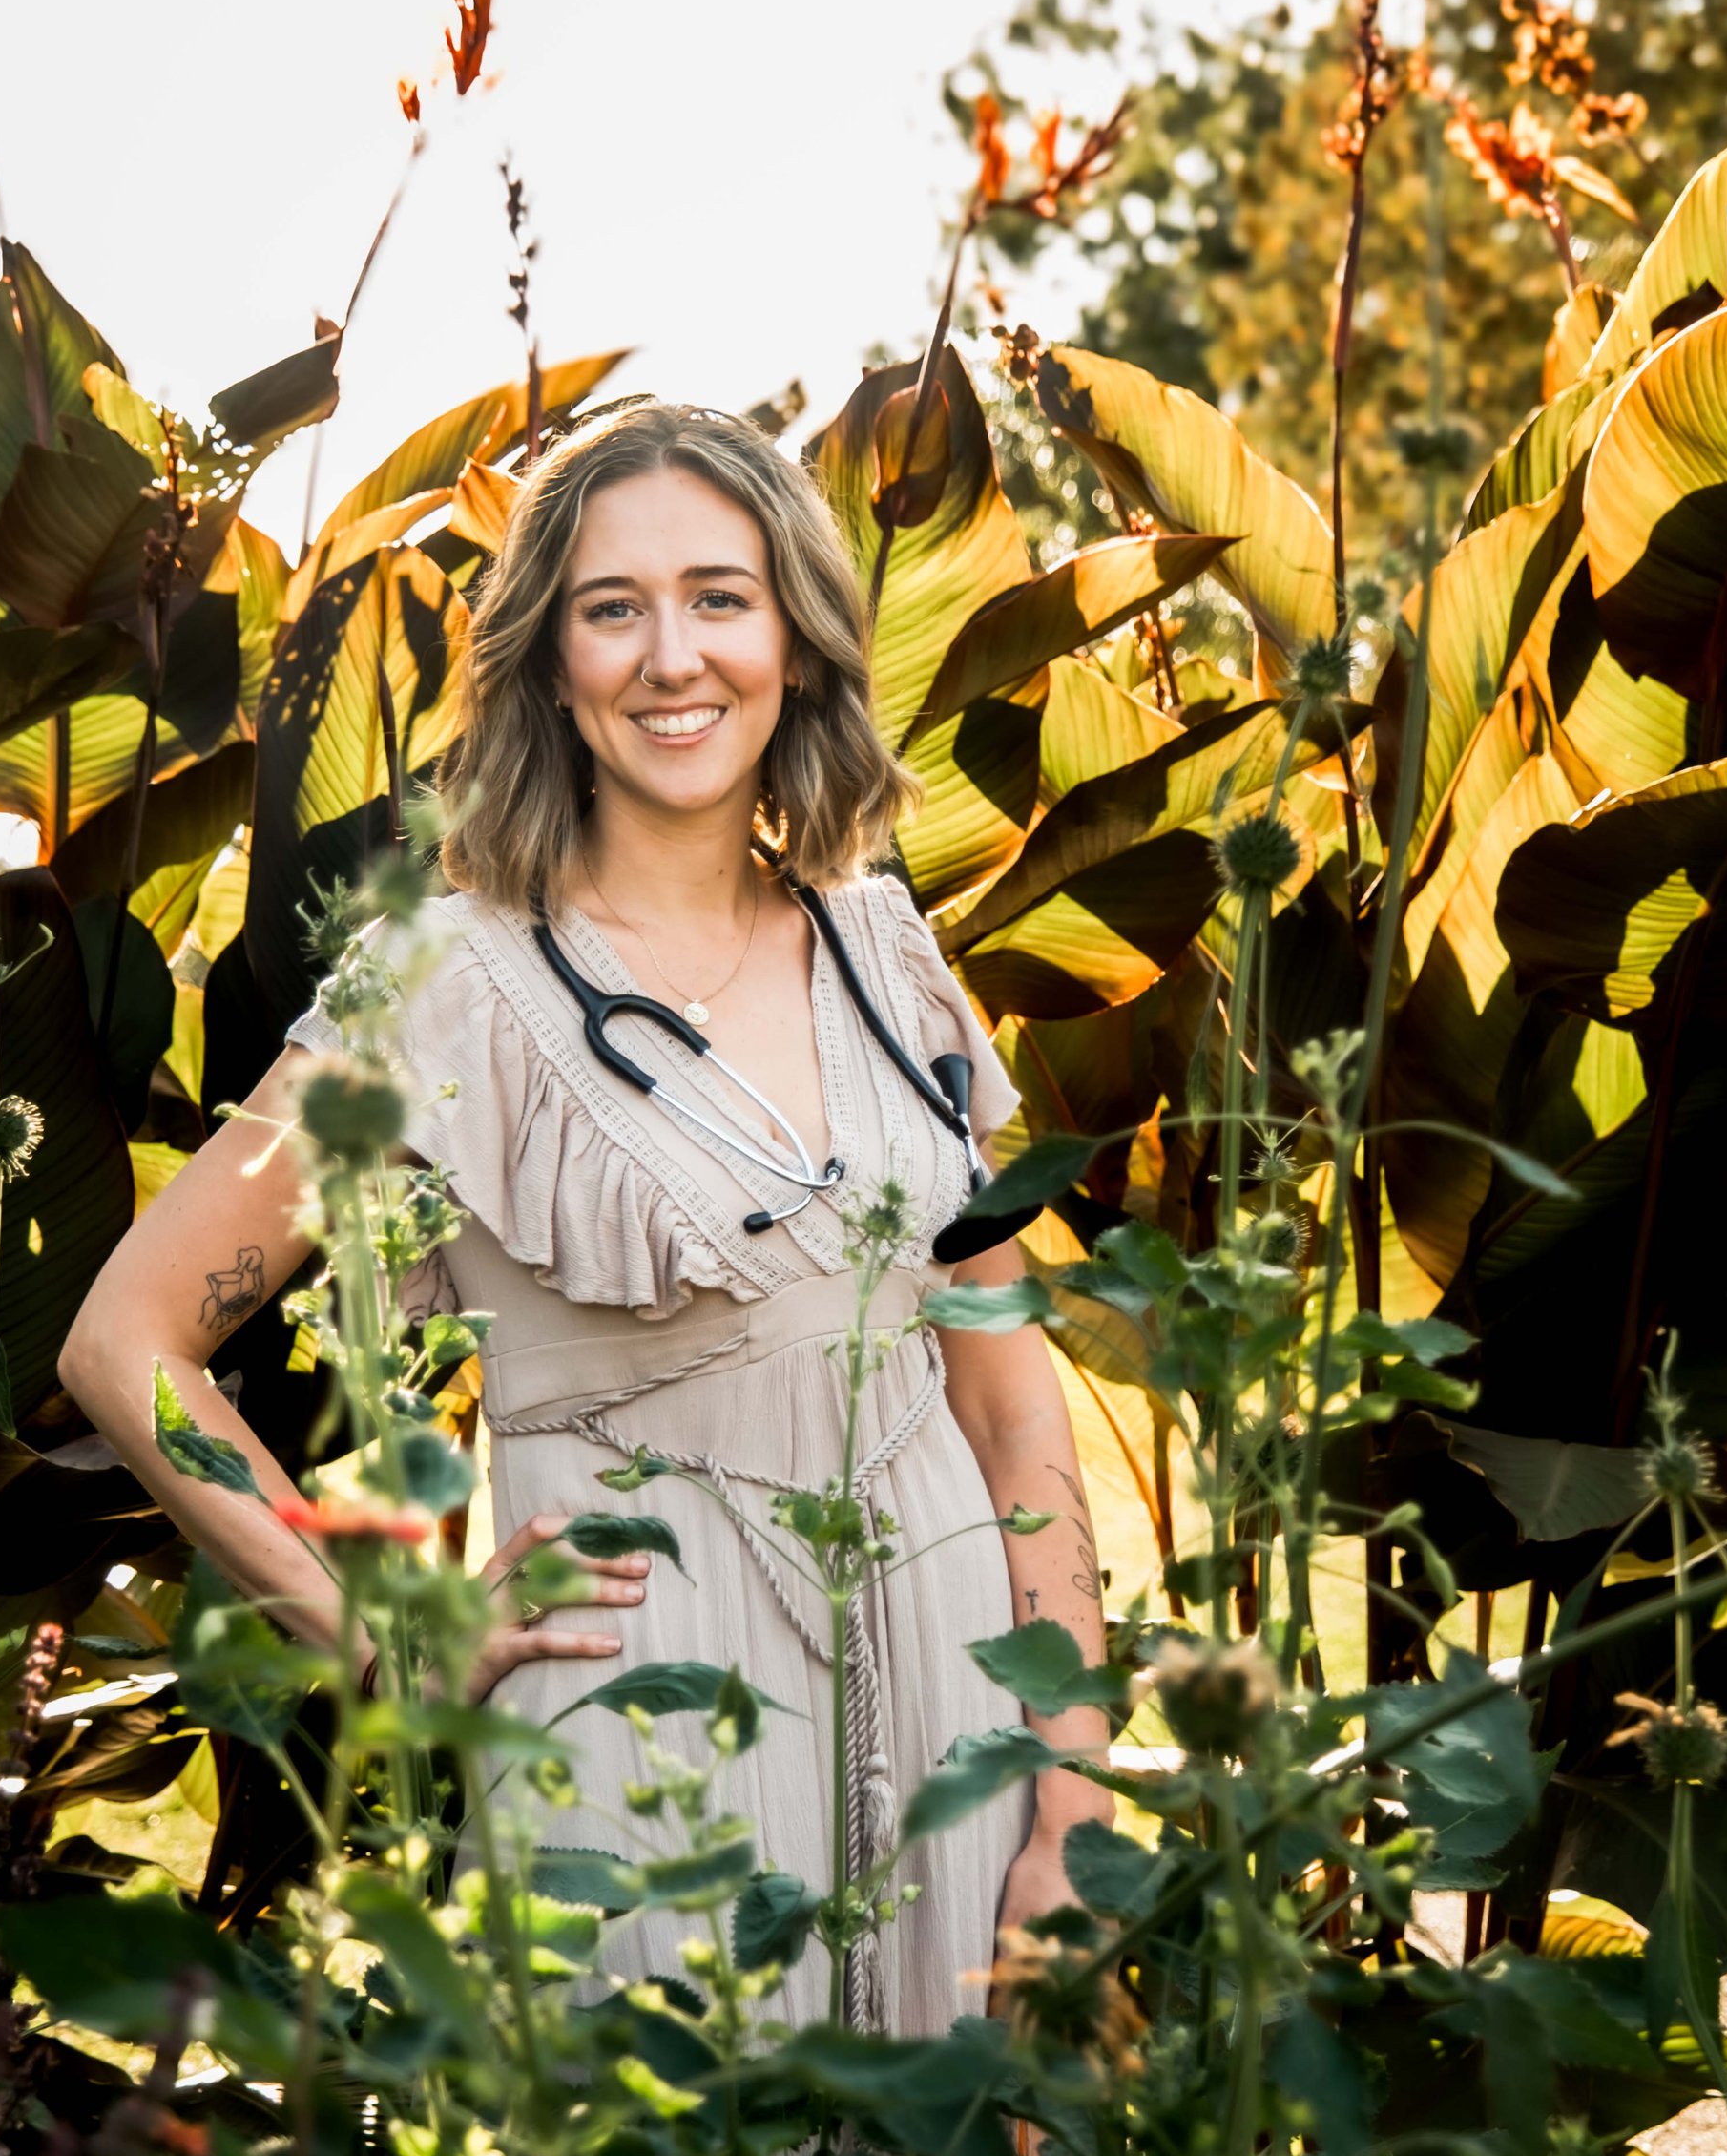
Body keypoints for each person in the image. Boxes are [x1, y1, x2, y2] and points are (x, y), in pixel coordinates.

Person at [59, 400, 1118, 2056]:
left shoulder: (888, 952)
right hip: (642, 1754)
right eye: (612, 608)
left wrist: (1070, 1798)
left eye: (720, 596)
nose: (671, 654)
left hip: (963, 1755)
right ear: (551, 664)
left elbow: (1006, 1389)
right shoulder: (447, 985)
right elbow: (128, 1345)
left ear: (793, 640)